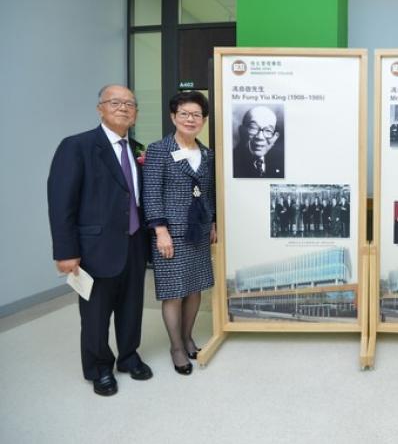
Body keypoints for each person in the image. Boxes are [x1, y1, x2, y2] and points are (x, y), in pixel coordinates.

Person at [48, 84, 153, 396]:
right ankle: (99, 367)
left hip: (134, 243)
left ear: (135, 114)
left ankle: (129, 356)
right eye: (115, 102)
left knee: (132, 308)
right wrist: (66, 251)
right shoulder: (77, 146)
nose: (123, 108)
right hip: (94, 248)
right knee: (95, 314)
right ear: (100, 109)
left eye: (130, 104)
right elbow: (60, 203)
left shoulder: (136, 149)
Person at [143, 91, 216, 376]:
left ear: (204, 120)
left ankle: (187, 337)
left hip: (198, 230)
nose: (190, 119)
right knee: (174, 292)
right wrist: (160, 231)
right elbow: (151, 193)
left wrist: (214, 223)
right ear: (173, 116)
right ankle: (176, 347)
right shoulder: (159, 149)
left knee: (195, 287)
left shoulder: (207, 153)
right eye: (184, 113)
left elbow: (211, 192)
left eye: (196, 115)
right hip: (170, 231)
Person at [233, 105, 284, 178]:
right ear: (241, 131)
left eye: (268, 130)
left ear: (275, 137)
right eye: (253, 128)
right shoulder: (231, 162)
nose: (260, 137)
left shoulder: (281, 161)